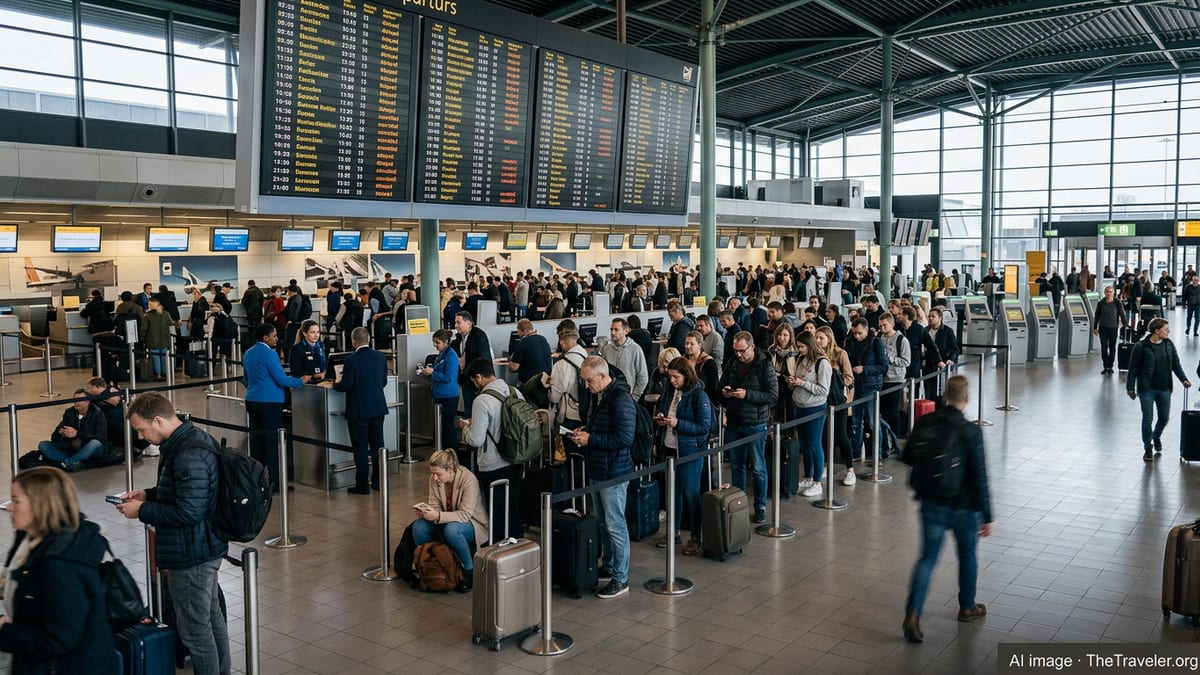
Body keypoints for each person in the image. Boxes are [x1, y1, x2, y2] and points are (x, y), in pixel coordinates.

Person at [117, 392, 230, 674]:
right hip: (203, 546)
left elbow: (188, 512)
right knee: (211, 618)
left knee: (195, 633)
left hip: (192, 553)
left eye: (141, 429)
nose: (141, 437)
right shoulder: (188, 441)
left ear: (158, 420)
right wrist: (148, 494)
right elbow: (185, 493)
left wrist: (140, 511)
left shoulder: (188, 453)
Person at [902, 375, 993, 643]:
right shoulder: (971, 431)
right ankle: (967, 606)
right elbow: (979, 475)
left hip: (931, 502)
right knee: (967, 556)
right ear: (967, 399)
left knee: (927, 559)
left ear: (944, 395)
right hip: (964, 507)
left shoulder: (926, 421)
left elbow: (907, 456)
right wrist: (987, 515)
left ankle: (912, 614)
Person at [0, 467, 117, 673]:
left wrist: (6, 632)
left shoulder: (62, 564)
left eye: (16, 500)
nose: (9, 507)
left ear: (40, 505)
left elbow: (60, 638)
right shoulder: (30, 537)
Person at [570, 357, 635, 598]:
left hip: (614, 471)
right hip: (600, 468)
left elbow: (624, 438)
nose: (587, 386)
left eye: (589, 381)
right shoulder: (603, 397)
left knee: (616, 525)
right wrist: (587, 432)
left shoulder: (620, 399)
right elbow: (605, 429)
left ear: (602, 376)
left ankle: (621, 577)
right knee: (604, 523)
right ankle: (609, 565)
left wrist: (591, 440)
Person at [458, 358, 523, 540]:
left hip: (493, 464)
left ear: (478, 377)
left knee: (496, 512)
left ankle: (499, 552)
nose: (474, 385)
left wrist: (466, 428)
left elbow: (476, 440)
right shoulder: (514, 391)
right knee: (513, 508)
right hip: (516, 459)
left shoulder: (482, 400)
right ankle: (519, 549)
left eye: (474, 381)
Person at [717, 331, 778, 524]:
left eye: (742, 351)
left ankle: (760, 506)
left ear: (751, 347)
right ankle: (739, 504)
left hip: (756, 424)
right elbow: (721, 386)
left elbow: (772, 396)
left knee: (759, 468)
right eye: (735, 351)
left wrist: (748, 395)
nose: (738, 355)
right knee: (737, 467)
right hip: (734, 422)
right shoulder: (732, 363)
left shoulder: (764, 366)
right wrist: (725, 392)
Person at [243, 323, 312, 490]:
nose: (277, 339)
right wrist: (300, 381)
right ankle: (274, 482)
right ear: (265, 337)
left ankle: (257, 481)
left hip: (252, 400)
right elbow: (281, 380)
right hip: (270, 403)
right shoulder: (270, 354)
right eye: (274, 336)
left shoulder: (248, 353)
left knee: (257, 442)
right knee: (272, 443)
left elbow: (246, 378)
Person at [410, 449, 489, 593]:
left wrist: (438, 516)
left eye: (438, 474)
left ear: (450, 469)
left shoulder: (469, 480)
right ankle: (426, 565)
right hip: (445, 519)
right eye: (432, 473)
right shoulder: (435, 479)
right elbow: (434, 504)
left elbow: (465, 514)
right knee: (418, 527)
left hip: (472, 523)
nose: (434, 478)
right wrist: (427, 512)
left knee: (452, 530)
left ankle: (469, 571)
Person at [654, 357, 710, 555]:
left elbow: (704, 427)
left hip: (690, 452)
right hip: (670, 448)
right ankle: (673, 532)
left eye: (676, 377)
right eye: (670, 377)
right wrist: (662, 419)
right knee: (672, 494)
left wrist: (678, 423)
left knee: (690, 494)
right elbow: (664, 410)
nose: (672, 381)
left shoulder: (699, 395)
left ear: (686, 375)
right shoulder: (670, 391)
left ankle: (696, 536)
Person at [1126, 317, 1191, 460]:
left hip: (1164, 388)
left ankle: (1155, 436)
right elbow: (1133, 368)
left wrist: (1184, 379)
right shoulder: (1141, 346)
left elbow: (1176, 364)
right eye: (1166, 329)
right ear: (1157, 331)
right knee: (1147, 418)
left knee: (1164, 418)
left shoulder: (1168, 345)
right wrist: (1130, 387)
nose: (1169, 331)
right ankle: (1147, 449)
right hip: (1146, 389)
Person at [334, 327, 389, 494]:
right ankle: (379, 482)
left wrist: (336, 383)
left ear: (353, 341)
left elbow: (347, 385)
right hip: (378, 407)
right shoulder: (380, 357)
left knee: (361, 448)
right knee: (378, 446)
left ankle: (362, 485)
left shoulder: (351, 359)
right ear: (369, 340)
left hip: (358, 410)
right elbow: (384, 381)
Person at [788, 332, 831, 498]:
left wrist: (803, 383)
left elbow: (823, 390)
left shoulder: (822, 363)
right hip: (799, 405)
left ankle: (817, 482)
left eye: (802, 346)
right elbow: (801, 378)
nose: (800, 350)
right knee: (804, 444)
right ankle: (808, 476)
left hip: (815, 407)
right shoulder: (801, 359)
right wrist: (793, 382)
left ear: (810, 345)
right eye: (798, 347)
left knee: (814, 444)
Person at [816, 326, 855, 485]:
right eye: (816, 338)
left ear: (829, 339)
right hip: (821, 400)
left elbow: (849, 377)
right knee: (824, 435)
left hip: (838, 401)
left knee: (841, 435)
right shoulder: (816, 356)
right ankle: (827, 465)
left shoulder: (840, 354)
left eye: (821, 338)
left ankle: (850, 469)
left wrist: (833, 379)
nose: (818, 341)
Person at [847, 317, 888, 462]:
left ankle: (878, 453)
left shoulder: (875, 343)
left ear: (866, 329)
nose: (856, 336)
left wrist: (864, 369)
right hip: (856, 387)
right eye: (854, 333)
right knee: (856, 421)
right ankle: (856, 452)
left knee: (872, 421)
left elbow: (883, 366)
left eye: (859, 333)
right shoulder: (850, 341)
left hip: (872, 386)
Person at [36, 389, 107, 472]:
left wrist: (77, 434)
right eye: (74, 400)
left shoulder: (97, 414)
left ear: (87, 402)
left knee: (95, 444)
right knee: (43, 444)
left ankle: (67, 462)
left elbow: (101, 438)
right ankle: (75, 461)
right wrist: (60, 433)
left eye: (79, 400)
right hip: (71, 449)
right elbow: (54, 437)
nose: (76, 403)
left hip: (88, 448)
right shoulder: (69, 413)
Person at [423, 329, 461, 458]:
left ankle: (452, 454)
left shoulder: (450, 356)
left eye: (437, 343)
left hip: (448, 396)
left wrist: (432, 373)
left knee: (448, 427)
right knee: (442, 427)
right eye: (434, 342)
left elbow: (449, 377)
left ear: (445, 342)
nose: (435, 345)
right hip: (439, 395)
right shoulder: (441, 354)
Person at [452, 311, 492, 418]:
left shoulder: (479, 336)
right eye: (455, 323)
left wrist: (468, 366)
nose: (456, 326)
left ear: (468, 324)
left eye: (458, 322)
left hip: (478, 379)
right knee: (469, 410)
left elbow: (482, 358)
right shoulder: (459, 338)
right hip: (466, 379)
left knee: (478, 411)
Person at [878, 313, 911, 438]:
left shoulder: (902, 340)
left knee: (893, 411)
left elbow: (906, 361)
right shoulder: (880, 338)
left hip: (896, 379)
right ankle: (886, 437)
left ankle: (895, 436)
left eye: (885, 325)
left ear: (892, 324)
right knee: (883, 410)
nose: (882, 328)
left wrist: (891, 359)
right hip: (883, 378)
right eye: (880, 326)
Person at [600, 317, 649, 399]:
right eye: (611, 329)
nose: (612, 332)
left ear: (626, 331)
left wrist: (634, 397)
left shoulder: (635, 349)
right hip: (609, 396)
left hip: (627, 397)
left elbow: (643, 377)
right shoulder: (606, 349)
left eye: (616, 330)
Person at [1092, 285, 1128, 375]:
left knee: (1112, 347)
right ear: (1104, 293)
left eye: (1110, 292)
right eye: (1107, 292)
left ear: (1113, 293)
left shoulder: (1117, 302)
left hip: (1113, 328)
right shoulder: (1101, 303)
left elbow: (1122, 314)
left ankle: (1110, 366)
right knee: (1104, 347)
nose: (1108, 293)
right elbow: (1097, 315)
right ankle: (1105, 366)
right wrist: (1095, 327)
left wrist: (1125, 324)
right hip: (1103, 328)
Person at [507, 319, 552, 384]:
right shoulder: (543, 340)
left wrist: (510, 361)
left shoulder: (523, 343)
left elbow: (513, 368)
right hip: (545, 381)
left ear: (520, 331)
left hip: (529, 383)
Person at [141, 297, 173, 381]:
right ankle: (165, 373)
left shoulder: (147, 316)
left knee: (156, 358)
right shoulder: (166, 314)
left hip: (152, 341)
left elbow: (143, 329)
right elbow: (171, 324)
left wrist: (142, 338)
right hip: (165, 340)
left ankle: (158, 375)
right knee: (164, 357)